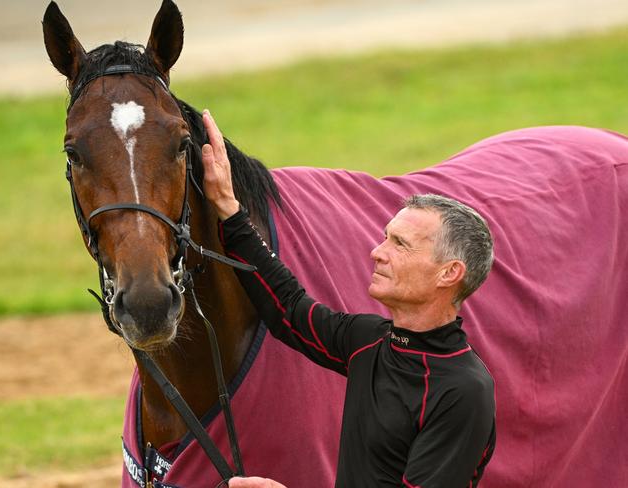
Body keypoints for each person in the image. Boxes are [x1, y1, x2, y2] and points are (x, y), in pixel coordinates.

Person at [201, 109, 496, 488]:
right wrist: (229, 208)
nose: (377, 251)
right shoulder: (370, 341)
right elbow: (289, 309)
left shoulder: (464, 391)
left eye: (400, 244)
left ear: (449, 273)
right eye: (386, 236)